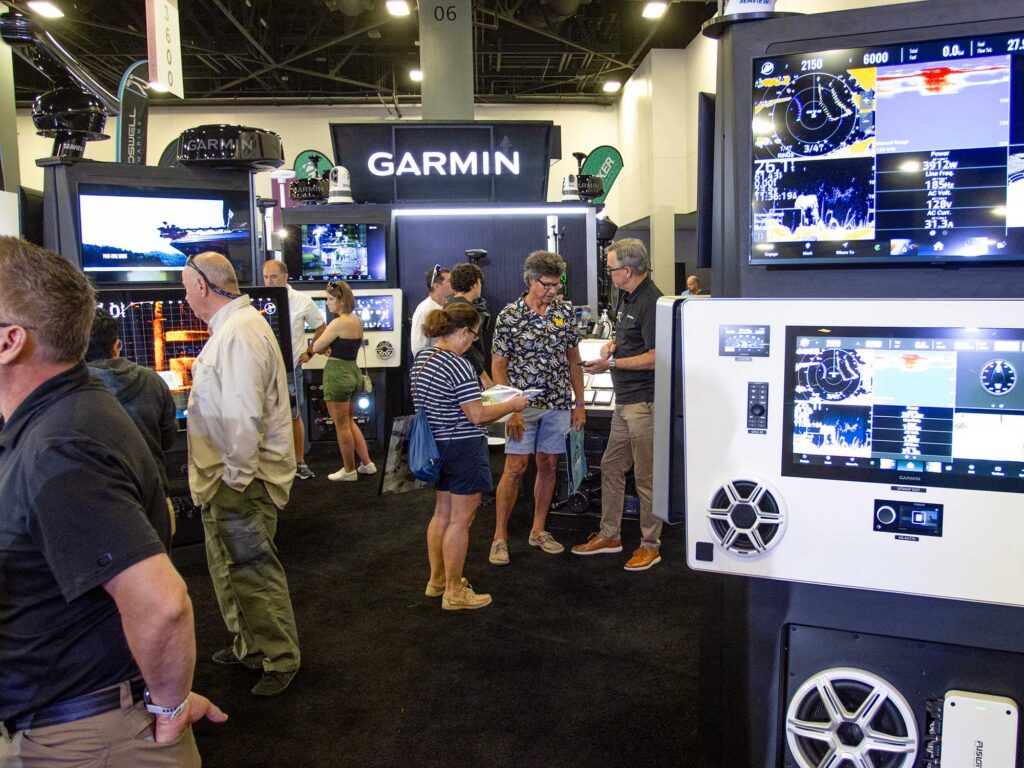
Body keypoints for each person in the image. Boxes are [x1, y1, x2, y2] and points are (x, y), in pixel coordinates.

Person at [0, 237, 226, 765]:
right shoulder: (61, 417)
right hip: (79, 722)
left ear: (11, 341)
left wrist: (167, 707)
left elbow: (163, 607)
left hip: (85, 738)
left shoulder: (61, 446)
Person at [183, 251, 301, 697]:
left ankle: (281, 656)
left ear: (201, 286)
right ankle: (249, 646)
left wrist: (234, 478)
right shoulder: (237, 328)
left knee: (252, 571)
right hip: (227, 479)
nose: (185, 297)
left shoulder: (238, 333)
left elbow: (242, 418)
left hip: (240, 482)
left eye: (185, 288)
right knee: (228, 570)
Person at [411, 302, 529, 610]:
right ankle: (454, 591)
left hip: (437, 447)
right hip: (463, 447)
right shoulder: (459, 364)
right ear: (463, 331)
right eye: (474, 335)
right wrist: (513, 405)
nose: (474, 342)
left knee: (442, 514)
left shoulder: (423, 358)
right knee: (461, 520)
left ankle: (437, 581)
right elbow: (476, 416)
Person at [489, 250, 586, 566]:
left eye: (557, 285)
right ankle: (499, 538)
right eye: (547, 285)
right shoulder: (509, 316)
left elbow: (574, 360)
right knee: (515, 468)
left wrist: (579, 403)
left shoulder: (564, 313)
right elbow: (498, 367)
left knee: (547, 465)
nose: (552, 291)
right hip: (523, 407)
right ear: (531, 280)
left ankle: (539, 530)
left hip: (558, 405)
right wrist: (511, 408)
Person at [573, 238, 664, 571]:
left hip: (644, 402)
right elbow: (632, 339)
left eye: (611, 269)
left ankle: (650, 544)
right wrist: (614, 345)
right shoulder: (627, 297)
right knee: (612, 467)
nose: (608, 274)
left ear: (628, 270)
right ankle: (610, 534)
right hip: (625, 402)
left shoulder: (652, 302)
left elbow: (656, 357)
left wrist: (610, 365)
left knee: (646, 478)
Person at [86, 307, 178, 497]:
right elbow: (168, 439)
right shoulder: (153, 381)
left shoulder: (71, 390)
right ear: (116, 345)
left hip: (100, 499)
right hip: (154, 494)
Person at [305, 280, 376, 481]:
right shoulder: (356, 320)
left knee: (341, 425)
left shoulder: (337, 323)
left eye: (329, 299)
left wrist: (321, 349)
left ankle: (349, 469)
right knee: (350, 421)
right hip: (353, 372)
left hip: (337, 374)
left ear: (340, 300)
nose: (327, 302)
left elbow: (316, 346)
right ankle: (366, 463)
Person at [263, 258, 327, 480]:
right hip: (263, 370)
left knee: (293, 415)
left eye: (273, 276)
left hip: (291, 368)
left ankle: (299, 462)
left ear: (285, 277)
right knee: (264, 415)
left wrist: (310, 351)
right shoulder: (258, 301)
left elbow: (321, 328)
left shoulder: (301, 301)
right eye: (266, 277)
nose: (269, 281)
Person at [444, 262, 493, 388]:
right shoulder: (465, 309)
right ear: (475, 283)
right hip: (467, 372)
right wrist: (484, 377)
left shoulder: (448, 305)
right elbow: (467, 348)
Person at [410, 264, 453, 357]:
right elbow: (418, 347)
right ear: (437, 286)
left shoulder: (449, 306)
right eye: (449, 281)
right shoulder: (424, 310)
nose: (453, 284)